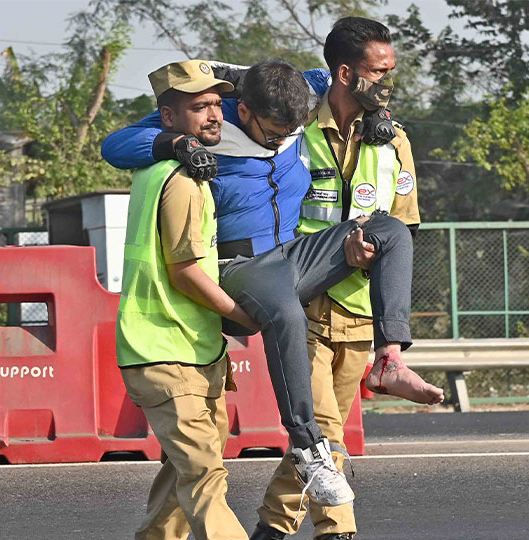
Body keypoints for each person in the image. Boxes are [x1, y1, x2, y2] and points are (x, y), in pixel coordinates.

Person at [102, 60, 444, 509]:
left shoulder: (303, 90)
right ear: (243, 110)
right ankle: (309, 447)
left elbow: (351, 80)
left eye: (292, 131)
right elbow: (116, 144)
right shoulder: (215, 121)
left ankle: (389, 361)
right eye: (274, 131)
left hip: (294, 253)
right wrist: (176, 143)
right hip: (242, 264)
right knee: (286, 314)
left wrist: (375, 113)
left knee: (390, 231)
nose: (283, 140)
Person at [249, 18, 423, 540]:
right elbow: (268, 220)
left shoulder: (395, 142)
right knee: (324, 432)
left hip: (358, 315)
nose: (388, 82)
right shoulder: (291, 132)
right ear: (345, 73)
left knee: (324, 440)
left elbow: (405, 225)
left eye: (393, 70)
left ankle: (271, 531)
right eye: (379, 71)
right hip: (300, 307)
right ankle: (338, 532)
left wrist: (371, 253)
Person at [116, 59, 252, 540]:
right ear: (169, 119)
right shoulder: (182, 179)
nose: (215, 115)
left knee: (183, 477)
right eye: (200, 107)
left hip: (190, 349)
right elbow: (186, 272)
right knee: (204, 477)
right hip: (165, 351)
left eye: (217, 104)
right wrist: (244, 316)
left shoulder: (156, 171)